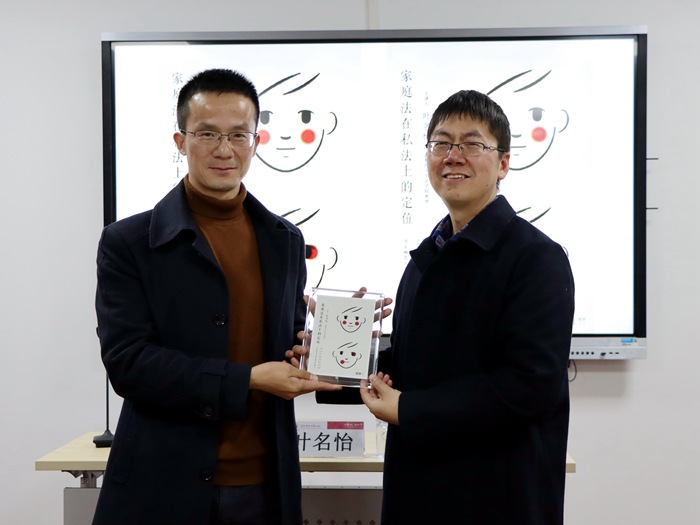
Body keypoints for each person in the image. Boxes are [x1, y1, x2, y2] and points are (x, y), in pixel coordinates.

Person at [93, 68, 341, 525]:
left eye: (238, 135)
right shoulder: (129, 242)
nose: (224, 150)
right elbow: (129, 364)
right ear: (180, 141)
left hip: (266, 488)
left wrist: (332, 334)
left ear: (256, 142)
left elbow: (286, 344)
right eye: (207, 134)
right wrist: (246, 379)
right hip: (162, 485)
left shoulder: (284, 240)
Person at [358, 90, 575, 524]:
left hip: (495, 497)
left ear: (504, 163)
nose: (453, 156)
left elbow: (529, 385)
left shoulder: (536, 257)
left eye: (472, 144)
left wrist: (408, 410)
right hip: (419, 491)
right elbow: (419, 364)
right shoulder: (426, 257)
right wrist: (340, 356)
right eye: (441, 143)